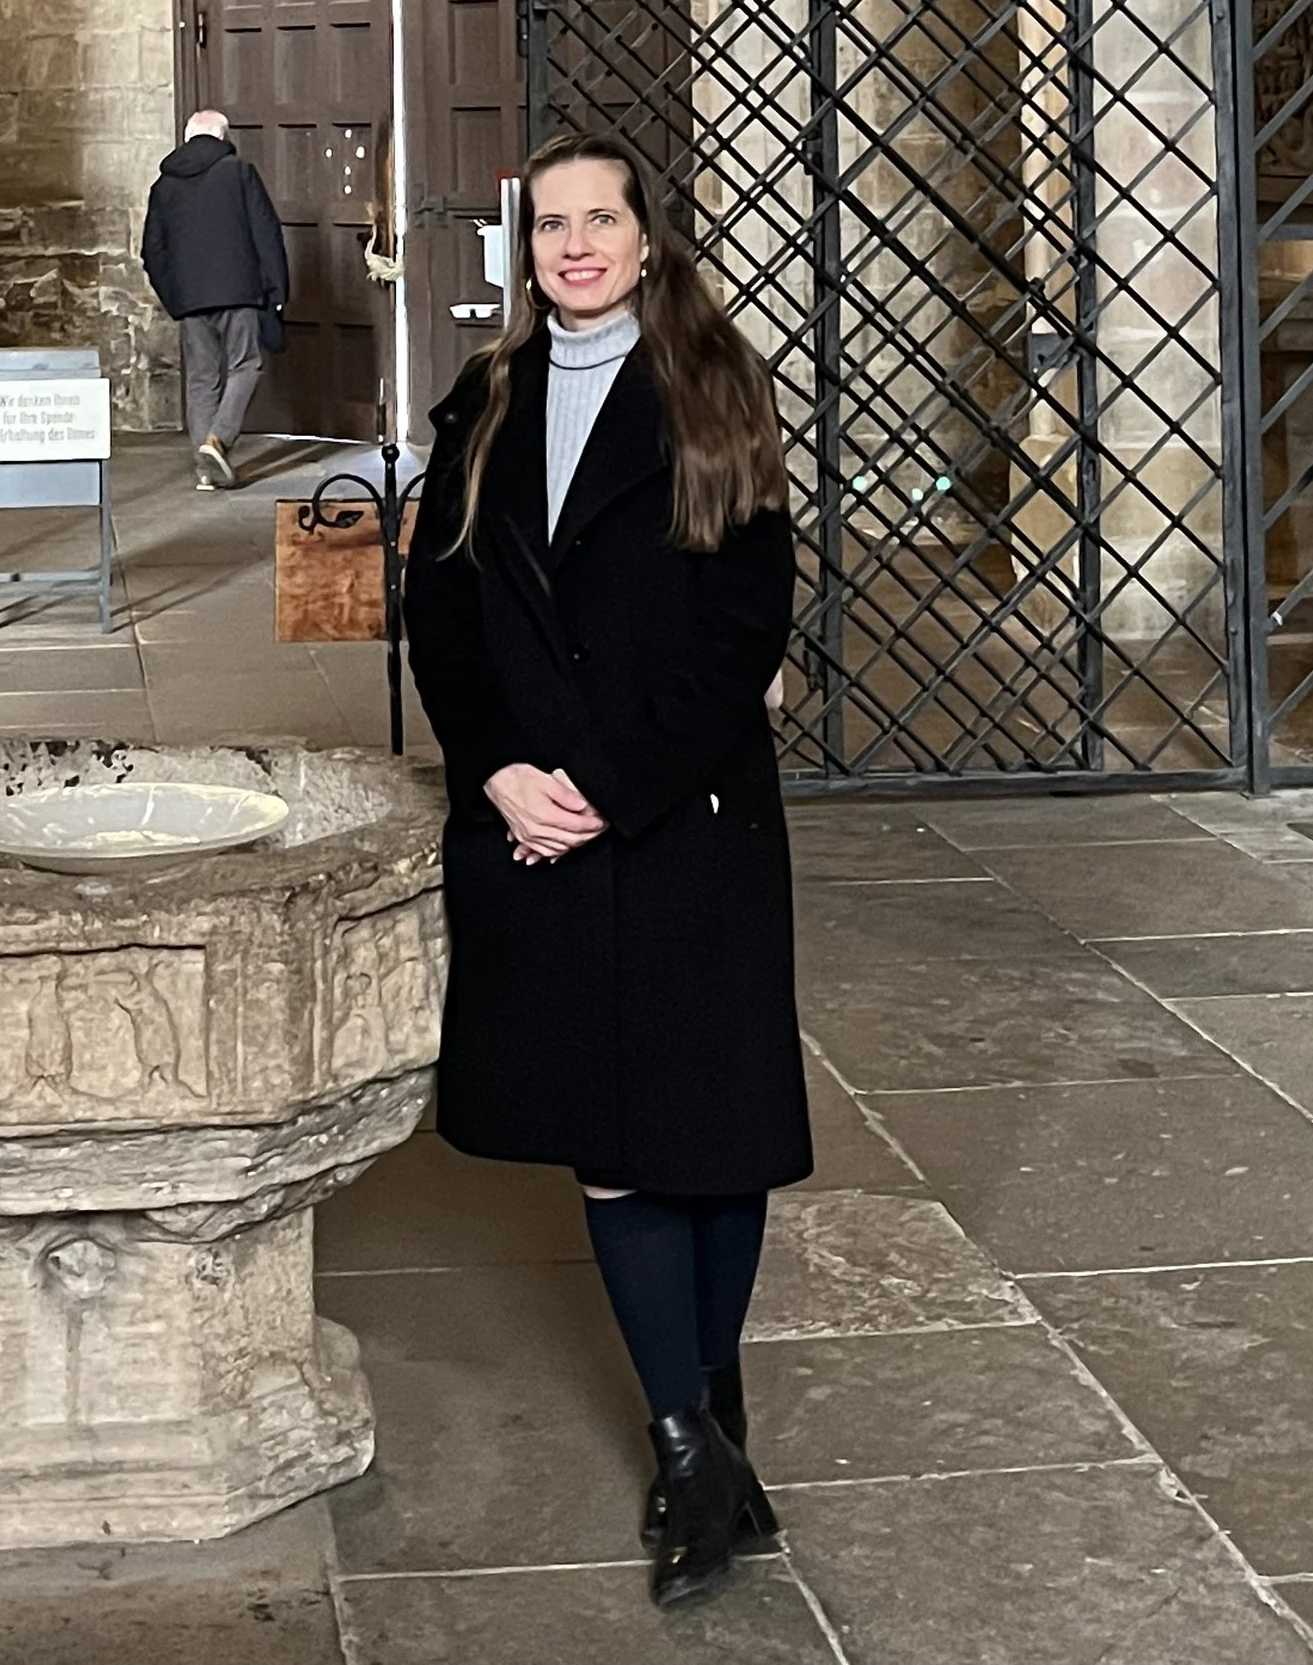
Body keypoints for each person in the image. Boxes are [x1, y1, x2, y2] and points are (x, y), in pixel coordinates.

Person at [400, 131, 810, 1609]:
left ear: (647, 239)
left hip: (684, 817)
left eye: (599, 219)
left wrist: (610, 784)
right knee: (615, 1140)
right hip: (533, 827)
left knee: (717, 1133)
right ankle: (692, 1443)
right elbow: (439, 610)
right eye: (551, 224)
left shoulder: (714, 392)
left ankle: (710, 1423)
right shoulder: (488, 400)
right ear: (531, 249)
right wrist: (503, 766)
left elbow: (743, 624)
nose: (574, 244)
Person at [141, 108, 290, 490]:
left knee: (202, 379)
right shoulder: (239, 173)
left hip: (190, 300)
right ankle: (217, 440)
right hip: (240, 292)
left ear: (189, 136)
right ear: (223, 137)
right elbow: (266, 234)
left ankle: (206, 471)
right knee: (245, 366)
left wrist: (174, 297)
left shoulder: (164, 185)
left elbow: (152, 251)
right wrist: (276, 292)